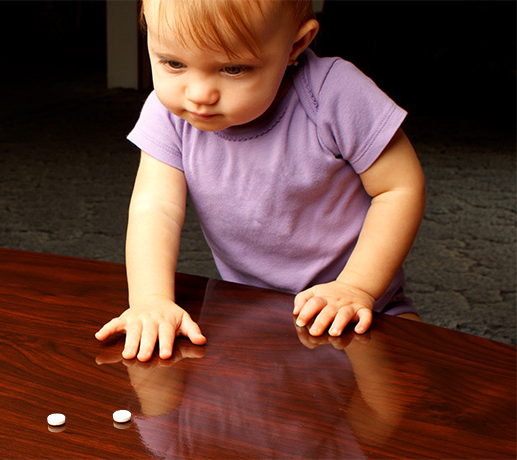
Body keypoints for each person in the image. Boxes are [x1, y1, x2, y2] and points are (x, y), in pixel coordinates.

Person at [95, 0, 426, 361]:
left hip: (363, 306)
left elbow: (399, 188)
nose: (199, 94)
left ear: (295, 46)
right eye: (173, 63)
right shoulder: (171, 116)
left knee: (405, 374)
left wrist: (357, 286)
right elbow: (155, 207)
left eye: (233, 68)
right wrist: (151, 301)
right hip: (246, 311)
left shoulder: (333, 93)